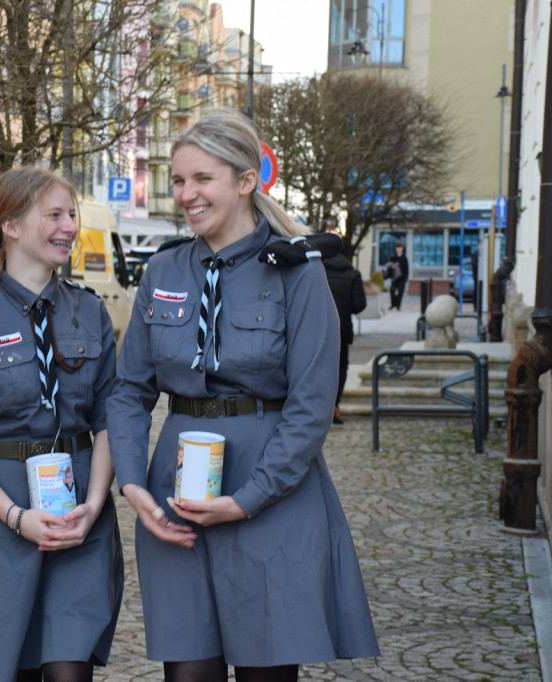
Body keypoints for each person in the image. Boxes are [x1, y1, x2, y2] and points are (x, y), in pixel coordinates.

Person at [106, 110, 379, 682]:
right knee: (189, 674)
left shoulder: (298, 274)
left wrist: (248, 498)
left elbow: (310, 405)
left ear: (246, 180)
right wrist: (133, 484)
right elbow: (129, 390)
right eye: (178, 181)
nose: (186, 194)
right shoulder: (163, 271)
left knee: (267, 672)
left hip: (272, 494)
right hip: (176, 495)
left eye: (202, 179)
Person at [0, 167, 124, 682]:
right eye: (53, 215)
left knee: (68, 669)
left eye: (71, 214)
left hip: (79, 518)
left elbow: (108, 420)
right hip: (1, 520)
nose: (69, 226)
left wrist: (94, 506)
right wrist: (16, 517)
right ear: (9, 224)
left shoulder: (91, 311)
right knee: (2, 666)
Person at [324, 240, 367, 424]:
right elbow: (359, 305)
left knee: (319, 367)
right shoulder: (353, 274)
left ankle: (321, 406)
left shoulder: (320, 270)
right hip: (342, 329)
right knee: (340, 367)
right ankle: (334, 405)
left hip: (320, 327)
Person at [385, 240, 409, 310]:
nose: (398, 249)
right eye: (397, 247)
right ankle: (393, 304)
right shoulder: (393, 258)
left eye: (400, 247)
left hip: (402, 278)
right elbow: (388, 267)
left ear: (402, 248)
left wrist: (405, 278)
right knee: (392, 290)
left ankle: (398, 305)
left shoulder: (404, 258)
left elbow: (406, 269)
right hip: (394, 278)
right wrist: (392, 268)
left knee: (400, 293)